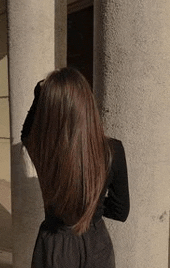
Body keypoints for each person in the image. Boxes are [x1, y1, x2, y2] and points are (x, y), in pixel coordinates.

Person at [21, 67, 129, 268]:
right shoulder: (113, 150)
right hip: (96, 245)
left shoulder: (43, 150)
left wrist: (39, 95)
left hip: (54, 247)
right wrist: (92, 202)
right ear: (88, 103)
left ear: (48, 109)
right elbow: (120, 211)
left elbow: (26, 132)